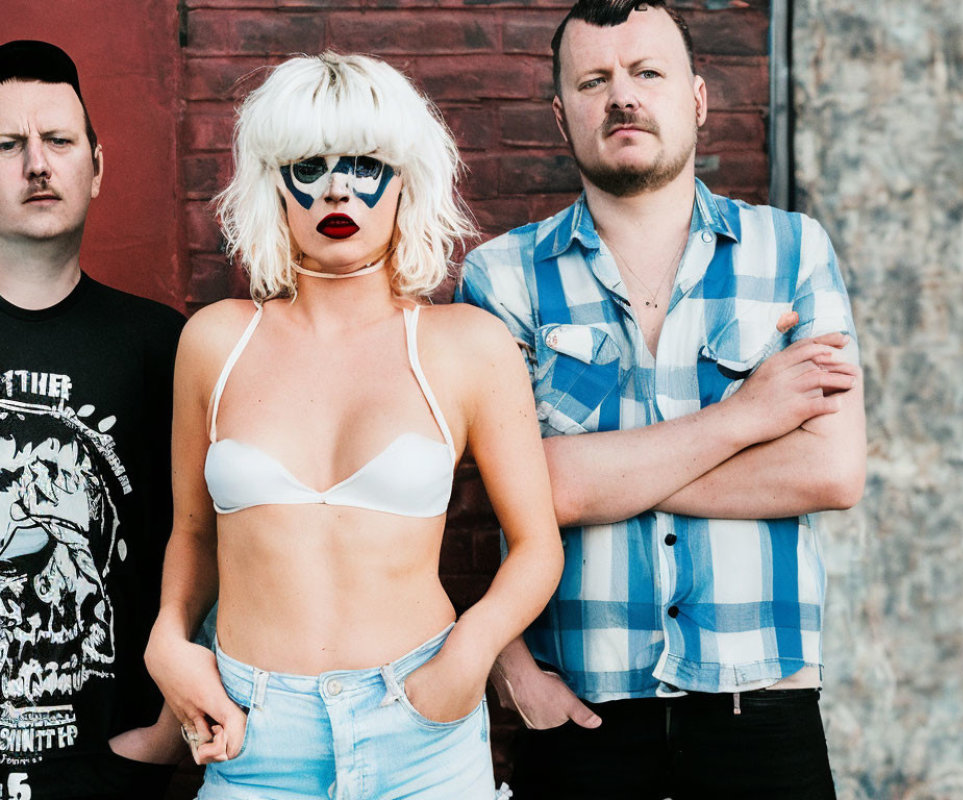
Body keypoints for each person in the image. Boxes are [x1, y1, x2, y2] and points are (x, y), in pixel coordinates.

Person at [456, 2, 867, 798]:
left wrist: (582, 480)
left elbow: (831, 472)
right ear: (560, 114)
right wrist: (745, 421)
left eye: (648, 72)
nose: (623, 96)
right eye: (595, 79)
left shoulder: (792, 250)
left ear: (698, 98)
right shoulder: (500, 278)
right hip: (582, 711)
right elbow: (523, 491)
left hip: (762, 705)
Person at [144, 50, 563, 800]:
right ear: (273, 183)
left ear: (407, 181)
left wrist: (468, 655)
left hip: (421, 733)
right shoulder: (216, 341)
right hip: (253, 736)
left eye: (367, 162)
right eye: (309, 163)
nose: (338, 187)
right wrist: (169, 642)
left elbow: (536, 545)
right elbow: (194, 532)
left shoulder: (465, 345)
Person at [0, 40, 187, 800]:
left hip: (111, 769)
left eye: (59, 141)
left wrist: (166, 734)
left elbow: (203, 545)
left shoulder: (162, 345)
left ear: (97, 167)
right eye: (7, 145)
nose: (37, 164)